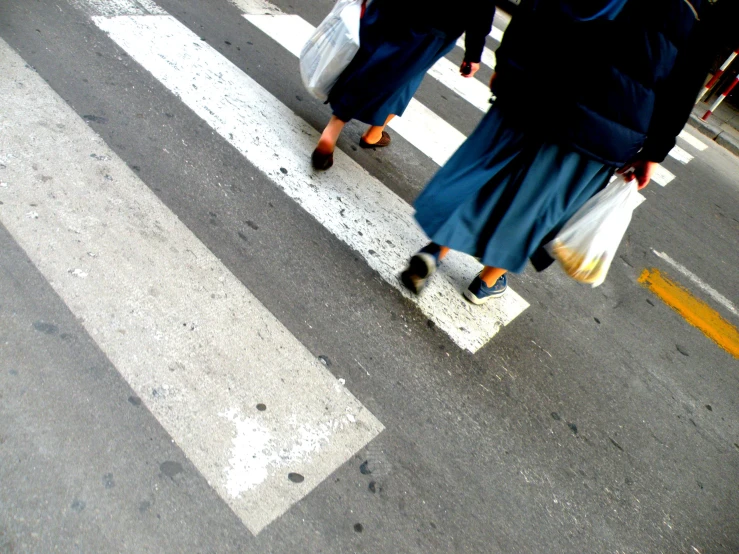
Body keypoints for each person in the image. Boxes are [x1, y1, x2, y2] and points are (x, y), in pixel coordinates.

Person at [401, 0, 712, 305]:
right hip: (606, 124)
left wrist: (508, 60)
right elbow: (682, 89)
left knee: (490, 170)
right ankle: (487, 281)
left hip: (538, 83)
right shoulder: (695, 11)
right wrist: (654, 152)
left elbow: (538, 5)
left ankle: (435, 250)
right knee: (540, 206)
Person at [311, 0, 497, 170]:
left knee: (366, 58)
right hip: (434, 24)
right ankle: (343, 128)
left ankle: (367, 129)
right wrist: (473, 52)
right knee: (401, 75)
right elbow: (482, 6)